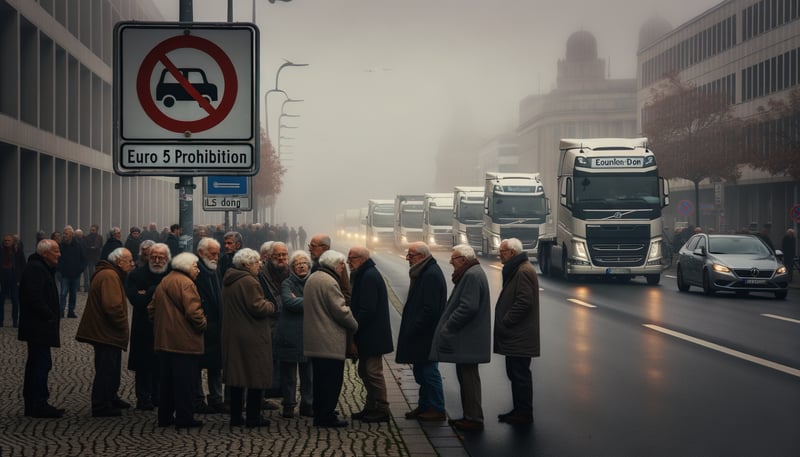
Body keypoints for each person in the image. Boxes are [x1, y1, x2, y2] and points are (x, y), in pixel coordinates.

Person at [430, 244, 491, 432]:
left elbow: (468, 307)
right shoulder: (472, 272)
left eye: (454, 258)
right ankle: (470, 416)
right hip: (469, 337)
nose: (450, 261)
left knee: (468, 379)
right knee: (466, 377)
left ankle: (473, 418)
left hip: (468, 338)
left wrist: (449, 326)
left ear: (463, 260)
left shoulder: (472, 275)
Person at [148, 252, 207, 429]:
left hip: (164, 342)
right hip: (183, 343)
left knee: (167, 383)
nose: (198, 270)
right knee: (185, 383)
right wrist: (204, 323)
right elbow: (193, 312)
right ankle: (185, 418)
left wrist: (162, 324)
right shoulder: (187, 284)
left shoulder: (165, 281)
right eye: (195, 266)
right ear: (186, 267)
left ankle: (164, 417)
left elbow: (151, 308)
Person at [221, 248, 277, 428]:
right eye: (256, 262)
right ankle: (253, 417)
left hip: (234, 333)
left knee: (237, 378)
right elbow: (258, 307)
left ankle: (236, 417)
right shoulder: (249, 282)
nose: (260, 265)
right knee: (255, 376)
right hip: (252, 336)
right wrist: (271, 306)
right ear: (246, 265)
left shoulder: (230, 279)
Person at [75, 247, 134, 417]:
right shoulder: (109, 276)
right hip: (106, 332)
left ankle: (110, 397)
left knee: (111, 367)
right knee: (106, 368)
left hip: (105, 331)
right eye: (129, 260)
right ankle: (101, 404)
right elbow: (112, 306)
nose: (132, 264)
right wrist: (123, 325)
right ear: (118, 262)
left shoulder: (110, 274)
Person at [303, 250, 358, 428]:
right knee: (331, 380)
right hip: (329, 339)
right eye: (342, 264)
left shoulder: (314, 278)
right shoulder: (330, 282)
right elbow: (340, 310)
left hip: (315, 338)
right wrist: (354, 324)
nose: (343, 268)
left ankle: (320, 411)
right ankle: (326, 417)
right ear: (335, 265)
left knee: (319, 379)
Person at [396, 242, 447, 422]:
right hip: (423, 332)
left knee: (428, 371)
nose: (408, 258)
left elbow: (430, 310)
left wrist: (414, 327)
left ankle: (437, 408)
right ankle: (425, 405)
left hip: (426, 334)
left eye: (411, 255)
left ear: (422, 256)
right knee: (421, 370)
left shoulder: (430, 275)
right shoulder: (425, 271)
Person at [494, 238, 539, 425]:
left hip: (519, 334)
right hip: (516, 334)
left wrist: (506, 321)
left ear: (512, 253)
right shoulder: (518, 269)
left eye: (502, 251)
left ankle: (524, 413)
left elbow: (524, 302)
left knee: (520, 374)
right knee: (515, 373)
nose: (499, 254)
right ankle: (519, 410)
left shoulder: (523, 271)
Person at [18, 239, 64, 418]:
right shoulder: (36, 269)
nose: (59, 254)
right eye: (56, 251)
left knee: (38, 364)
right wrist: (49, 315)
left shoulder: (40, 267)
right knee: (40, 365)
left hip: (39, 327)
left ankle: (36, 402)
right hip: (38, 327)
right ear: (45, 253)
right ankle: (37, 403)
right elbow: (34, 297)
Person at [347, 246, 394, 423]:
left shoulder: (368, 276)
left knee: (373, 372)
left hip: (372, 335)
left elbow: (367, 310)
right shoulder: (365, 273)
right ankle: (370, 406)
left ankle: (382, 409)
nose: (348, 261)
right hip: (370, 334)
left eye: (351, 258)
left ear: (362, 258)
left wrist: (353, 326)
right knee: (364, 371)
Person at [125, 242, 171, 411]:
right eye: (153, 257)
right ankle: (143, 398)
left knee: (160, 363)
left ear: (167, 259)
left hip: (164, 326)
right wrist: (154, 290)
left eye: (161, 257)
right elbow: (137, 301)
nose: (157, 260)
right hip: (143, 326)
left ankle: (157, 395)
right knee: (143, 365)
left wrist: (147, 293)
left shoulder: (171, 274)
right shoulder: (136, 275)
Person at [276, 250, 314, 419]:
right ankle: (289, 405)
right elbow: (288, 302)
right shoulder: (286, 283)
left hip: (309, 334)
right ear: (291, 267)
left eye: (303, 262)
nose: (301, 265)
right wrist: (310, 301)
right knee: (289, 375)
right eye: (297, 263)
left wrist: (300, 300)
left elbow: (317, 300)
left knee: (309, 374)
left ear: (309, 265)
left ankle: (308, 404)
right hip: (290, 334)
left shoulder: (314, 281)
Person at [193, 237, 227, 414]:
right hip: (202, 325)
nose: (216, 256)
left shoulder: (215, 268)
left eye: (217, 253)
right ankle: (198, 399)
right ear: (201, 253)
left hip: (217, 324)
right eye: (212, 253)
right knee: (198, 364)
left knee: (215, 364)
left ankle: (216, 398)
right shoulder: (195, 270)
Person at [258, 241, 289, 402]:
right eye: (278, 255)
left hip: (286, 323)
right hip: (268, 323)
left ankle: (281, 391)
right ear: (270, 257)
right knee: (266, 360)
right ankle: (263, 394)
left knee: (284, 359)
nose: (282, 258)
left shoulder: (290, 272)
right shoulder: (261, 273)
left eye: (284, 255)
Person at [58, 225, 86, 318]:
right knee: (63, 293)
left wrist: (80, 269)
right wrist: (60, 269)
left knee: (73, 294)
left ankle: (71, 311)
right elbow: (58, 259)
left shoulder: (78, 245)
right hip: (65, 274)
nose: (64, 235)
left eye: (66, 234)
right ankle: (61, 311)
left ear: (71, 235)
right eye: (64, 233)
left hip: (75, 274)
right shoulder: (61, 245)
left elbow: (83, 258)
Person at [0, 233, 26, 328]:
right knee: (1, 300)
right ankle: (1, 321)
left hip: (15, 279)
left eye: (8, 241)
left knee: (15, 300)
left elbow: (23, 265)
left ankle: (15, 320)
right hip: (3, 279)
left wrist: (20, 279)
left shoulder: (18, 251)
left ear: (12, 242)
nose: (6, 242)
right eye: (5, 241)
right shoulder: (1, 251)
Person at [83, 224, 103, 291]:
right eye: (91, 230)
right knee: (91, 272)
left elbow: (101, 246)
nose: (92, 231)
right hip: (90, 257)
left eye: (93, 230)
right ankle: (91, 286)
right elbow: (85, 247)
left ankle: (97, 286)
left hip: (97, 256)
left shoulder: (100, 237)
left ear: (96, 230)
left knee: (98, 272)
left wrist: (97, 248)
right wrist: (91, 248)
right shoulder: (87, 237)